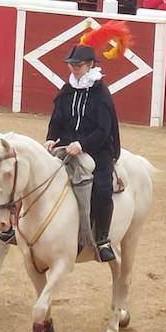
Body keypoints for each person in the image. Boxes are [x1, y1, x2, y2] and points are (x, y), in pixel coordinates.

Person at [45, 40, 120, 262]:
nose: (74, 69)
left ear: (90, 65)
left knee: (102, 188)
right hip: (67, 145)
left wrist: (82, 145)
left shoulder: (101, 93)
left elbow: (104, 129)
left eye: (78, 65)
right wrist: (51, 139)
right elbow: (57, 120)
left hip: (98, 149)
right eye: (71, 65)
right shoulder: (67, 90)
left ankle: (102, 239)